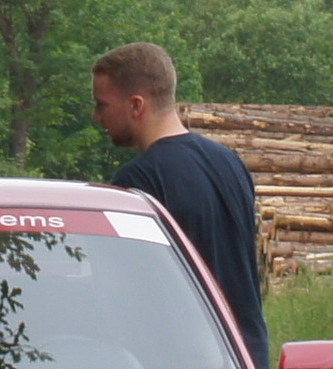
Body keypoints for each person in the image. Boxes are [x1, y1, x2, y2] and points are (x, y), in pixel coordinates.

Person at [90, 41, 266, 353]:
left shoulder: (139, 181)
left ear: (135, 106)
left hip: (185, 364)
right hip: (246, 358)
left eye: (102, 105)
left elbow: (130, 293)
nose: (96, 117)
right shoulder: (228, 162)